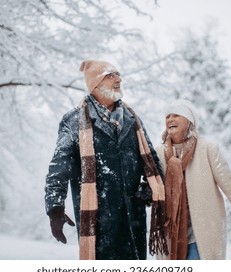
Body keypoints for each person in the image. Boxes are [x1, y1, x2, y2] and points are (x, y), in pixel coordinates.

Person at [44, 60, 167, 260]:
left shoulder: (132, 119)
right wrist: (55, 208)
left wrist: (149, 189)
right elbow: (59, 167)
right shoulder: (74, 120)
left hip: (132, 217)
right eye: (110, 75)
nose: (118, 79)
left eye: (118, 74)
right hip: (98, 220)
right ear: (95, 84)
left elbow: (151, 158)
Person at [156, 99, 231, 260]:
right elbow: (155, 188)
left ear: (189, 121)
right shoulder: (160, 153)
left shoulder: (207, 149)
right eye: (167, 116)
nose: (170, 119)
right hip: (172, 235)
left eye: (176, 115)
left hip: (203, 233)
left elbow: (229, 183)